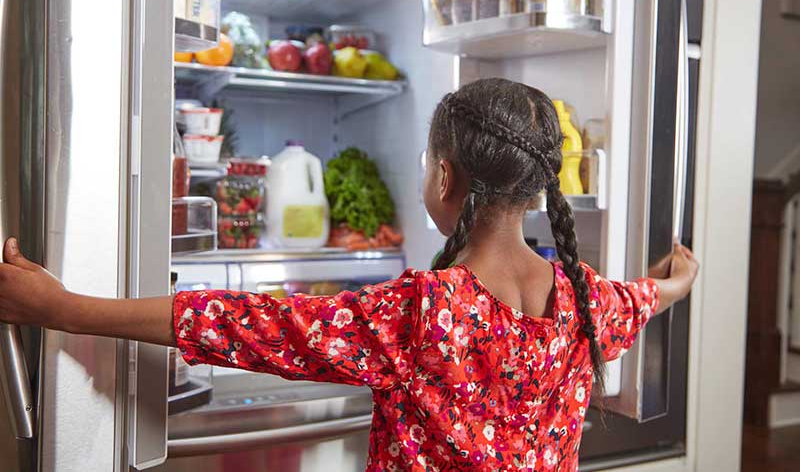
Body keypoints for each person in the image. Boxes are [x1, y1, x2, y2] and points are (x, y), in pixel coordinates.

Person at [0, 79, 698, 471]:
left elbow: (238, 322)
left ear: (444, 176)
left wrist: (63, 306)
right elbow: (645, 298)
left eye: (428, 162)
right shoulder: (585, 296)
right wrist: (672, 280)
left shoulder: (425, 311)